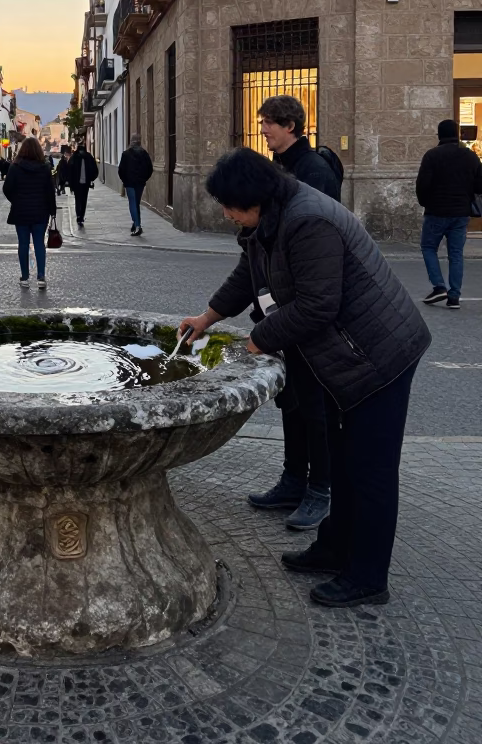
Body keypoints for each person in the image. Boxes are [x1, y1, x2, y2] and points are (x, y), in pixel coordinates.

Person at [179, 147, 431, 608]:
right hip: (346, 354)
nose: (225, 213)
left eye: (230, 206)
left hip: (380, 353)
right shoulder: (269, 219)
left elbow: (319, 305)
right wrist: (208, 316)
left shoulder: (308, 220)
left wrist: (258, 338)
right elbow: (248, 274)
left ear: (254, 199)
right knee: (342, 454)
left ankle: (368, 577)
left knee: (369, 469)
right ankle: (335, 547)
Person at [248, 95, 342, 532]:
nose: (263, 129)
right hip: (283, 306)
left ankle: (320, 490)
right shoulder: (279, 169)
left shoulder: (313, 171)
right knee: (292, 400)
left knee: (317, 407)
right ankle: (292, 479)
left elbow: (310, 245)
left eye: (267, 122)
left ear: (290, 125)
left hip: (310, 310)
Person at [416, 118, 482, 310]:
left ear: (439, 135)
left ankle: (438, 287)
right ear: (457, 134)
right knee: (456, 254)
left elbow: (422, 185)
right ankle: (454, 296)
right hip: (461, 213)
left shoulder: (432, 156)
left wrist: (425, 202)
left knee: (428, 247)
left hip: (436, 211)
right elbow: (479, 185)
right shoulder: (470, 156)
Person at [3, 136, 56, 290]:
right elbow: (50, 192)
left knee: (23, 244)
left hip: (21, 212)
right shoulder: (45, 168)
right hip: (41, 212)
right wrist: (52, 211)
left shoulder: (15, 167)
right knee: (39, 243)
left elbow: (7, 189)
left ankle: (25, 278)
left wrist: (16, 200)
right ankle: (41, 277)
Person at [118, 134, 153, 237]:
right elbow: (149, 168)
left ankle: (137, 226)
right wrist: (144, 178)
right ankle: (136, 223)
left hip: (129, 183)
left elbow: (121, 170)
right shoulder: (144, 153)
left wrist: (124, 180)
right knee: (136, 202)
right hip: (140, 183)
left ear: (131, 142)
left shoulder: (126, 154)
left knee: (133, 203)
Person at [67, 141, 98, 228]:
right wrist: (91, 179)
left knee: (78, 200)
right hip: (85, 183)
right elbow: (95, 170)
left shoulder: (74, 157)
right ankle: (81, 217)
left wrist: (70, 183)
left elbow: (69, 171)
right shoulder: (89, 157)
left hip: (77, 183)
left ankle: (79, 216)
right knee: (84, 200)